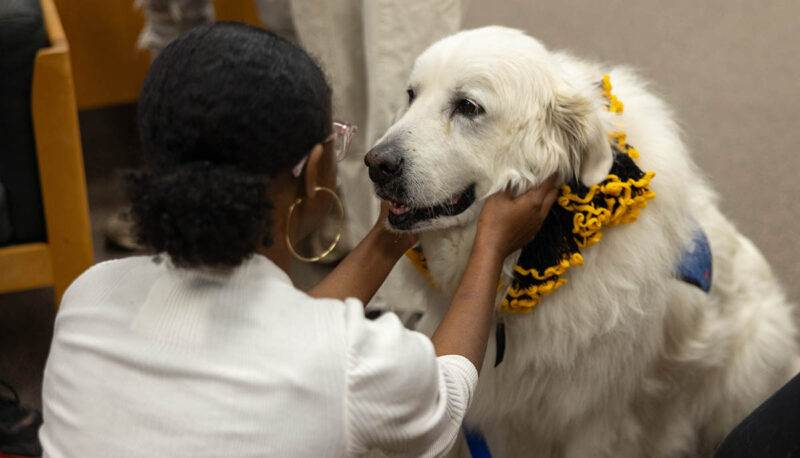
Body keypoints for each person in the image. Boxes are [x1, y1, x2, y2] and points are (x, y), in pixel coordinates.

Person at [39, 23, 557, 457]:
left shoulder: (89, 294)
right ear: (313, 174)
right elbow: (443, 404)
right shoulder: (345, 360)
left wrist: (389, 233)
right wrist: (490, 246)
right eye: (336, 136)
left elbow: (273, 336)